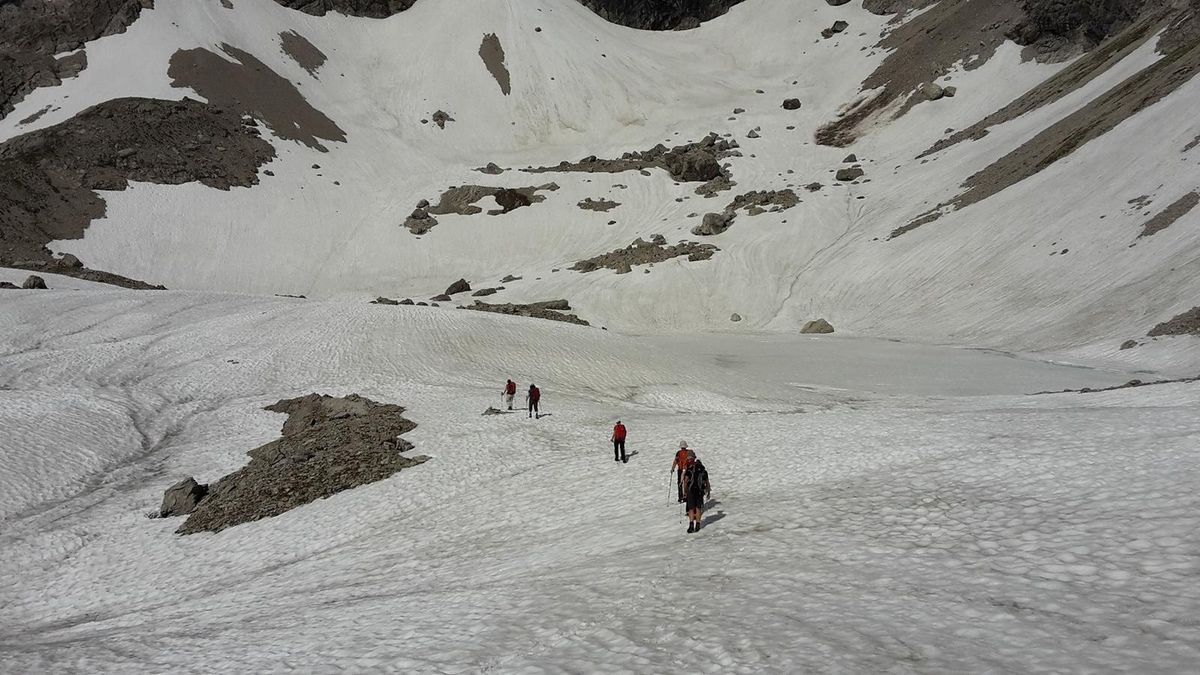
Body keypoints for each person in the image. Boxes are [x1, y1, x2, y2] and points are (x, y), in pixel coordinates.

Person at [681, 450, 710, 533]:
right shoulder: (702, 469)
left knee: (691, 508)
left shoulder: (689, 468)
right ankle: (698, 524)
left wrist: (685, 491)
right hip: (700, 491)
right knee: (698, 508)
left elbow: (686, 480)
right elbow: (706, 481)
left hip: (691, 490)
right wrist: (708, 490)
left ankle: (691, 524)